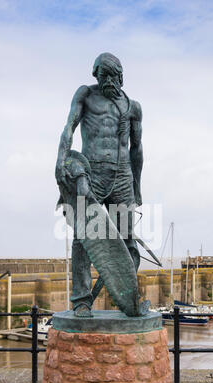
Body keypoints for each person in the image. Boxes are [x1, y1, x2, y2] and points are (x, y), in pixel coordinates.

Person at [55, 53, 144, 317]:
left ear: (121, 76)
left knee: (127, 240)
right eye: (102, 74)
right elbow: (68, 127)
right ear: (95, 74)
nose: (107, 80)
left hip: (122, 176)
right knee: (83, 238)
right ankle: (82, 300)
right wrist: (61, 160)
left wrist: (137, 186)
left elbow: (137, 149)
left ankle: (129, 300)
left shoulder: (133, 107)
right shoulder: (85, 95)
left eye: (112, 75)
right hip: (91, 172)